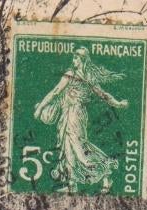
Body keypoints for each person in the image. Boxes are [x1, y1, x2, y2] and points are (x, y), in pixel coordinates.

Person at [33, 47, 128, 193]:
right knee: (68, 147)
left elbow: (56, 91)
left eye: (76, 58)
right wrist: (118, 103)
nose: (73, 60)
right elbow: (104, 95)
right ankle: (72, 184)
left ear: (83, 60)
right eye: (73, 57)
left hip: (75, 114)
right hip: (71, 113)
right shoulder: (82, 76)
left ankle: (106, 174)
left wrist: (40, 109)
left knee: (79, 148)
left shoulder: (73, 75)